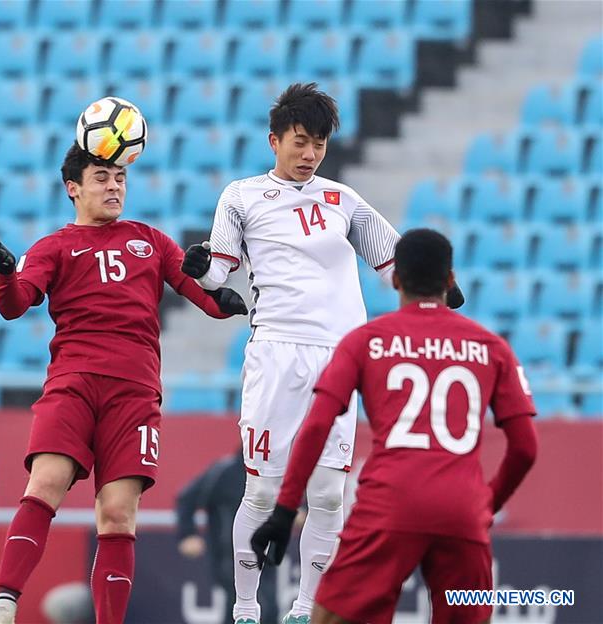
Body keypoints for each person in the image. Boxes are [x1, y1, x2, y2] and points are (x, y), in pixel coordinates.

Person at [181, 82, 464, 624]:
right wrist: (200, 266)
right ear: (275, 140)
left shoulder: (343, 200)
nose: (310, 154)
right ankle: (245, 607)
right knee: (261, 490)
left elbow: (394, 258)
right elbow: (219, 268)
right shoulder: (241, 197)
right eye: (301, 141)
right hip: (275, 353)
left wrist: (440, 292)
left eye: (320, 145)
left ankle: (307, 608)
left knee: (330, 493)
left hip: (338, 357)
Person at [0, 144, 249, 624]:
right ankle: (4, 604)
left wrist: (223, 295)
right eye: (102, 176)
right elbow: (16, 304)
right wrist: (2, 272)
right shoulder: (52, 247)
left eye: (120, 176)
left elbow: (204, 298)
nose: (114, 185)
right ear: (73, 188)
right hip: (73, 382)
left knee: (118, 514)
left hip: (135, 393)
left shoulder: (152, 241)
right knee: (46, 483)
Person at [251, 228, 538, 624]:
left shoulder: (365, 341)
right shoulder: (492, 347)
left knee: (330, 618)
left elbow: (316, 426)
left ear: (396, 279)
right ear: (450, 279)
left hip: (390, 504)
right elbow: (525, 448)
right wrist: (485, 507)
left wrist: (284, 511)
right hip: (462, 510)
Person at [176, 449, 279, 624]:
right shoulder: (224, 472)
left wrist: (303, 512)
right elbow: (187, 499)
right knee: (247, 606)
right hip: (229, 558)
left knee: (267, 608)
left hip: (266, 558)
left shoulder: (275, 473)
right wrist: (188, 534)